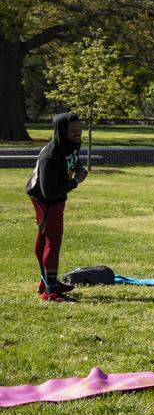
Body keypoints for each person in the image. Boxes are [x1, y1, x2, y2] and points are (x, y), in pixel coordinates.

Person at [25, 112, 87, 302]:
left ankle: (47, 282)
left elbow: (74, 161)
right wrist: (76, 181)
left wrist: (78, 168)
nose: (78, 133)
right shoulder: (49, 157)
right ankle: (50, 291)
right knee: (53, 239)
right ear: (61, 132)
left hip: (56, 198)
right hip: (46, 200)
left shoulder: (71, 145)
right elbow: (48, 192)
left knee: (49, 238)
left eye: (79, 129)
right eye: (73, 131)